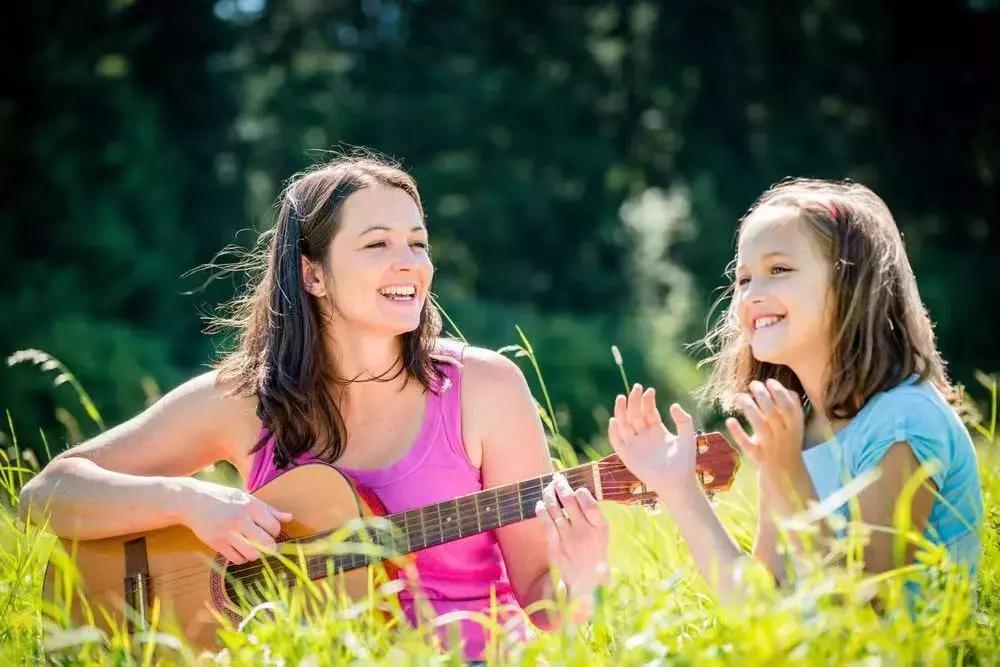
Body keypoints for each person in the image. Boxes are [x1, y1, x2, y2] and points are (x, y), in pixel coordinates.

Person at [19, 154, 610, 661]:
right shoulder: (245, 399)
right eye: (377, 243)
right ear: (312, 273)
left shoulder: (484, 387)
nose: (410, 262)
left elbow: (542, 598)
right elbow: (45, 495)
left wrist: (578, 576)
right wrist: (188, 501)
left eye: (418, 242)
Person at [606, 178, 983, 601]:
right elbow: (761, 607)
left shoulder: (904, 420)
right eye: (744, 279)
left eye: (779, 270)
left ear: (851, 284)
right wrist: (677, 486)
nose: (752, 295)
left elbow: (873, 612)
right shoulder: (794, 433)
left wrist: (789, 477)